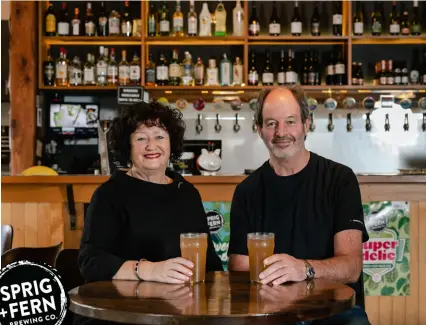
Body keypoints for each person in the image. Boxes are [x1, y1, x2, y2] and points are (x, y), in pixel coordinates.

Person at [228, 86, 370, 325]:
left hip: (334, 311)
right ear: (260, 130)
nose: (281, 132)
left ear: (306, 124)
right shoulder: (247, 191)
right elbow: (240, 269)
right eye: (271, 123)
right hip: (271, 313)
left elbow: (351, 267)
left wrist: (303, 269)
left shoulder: (339, 179)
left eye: (290, 121)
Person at [76, 101, 222, 324]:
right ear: (128, 146)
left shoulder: (187, 193)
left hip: (176, 314)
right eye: (141, 138)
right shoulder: (110, 194)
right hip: (119, 315)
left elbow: (210, 263)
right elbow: (91, 262)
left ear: (171, 143)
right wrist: (150, 270)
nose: (151, 145)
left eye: (159, 136)